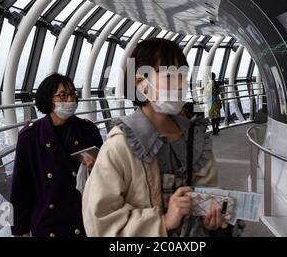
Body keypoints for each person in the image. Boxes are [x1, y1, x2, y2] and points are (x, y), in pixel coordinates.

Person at [82, 38, 226, 236]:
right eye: (169, 76)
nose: (180, 84)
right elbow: (100, 220)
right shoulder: (120, 145)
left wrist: (210, 222)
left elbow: (208, 197)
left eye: (183, 75)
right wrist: (163, 222)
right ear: (141, 83)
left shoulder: (196, 139)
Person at [10, 73, 103, 237]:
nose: (70, 100)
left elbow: (106, 176)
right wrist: (18, 230)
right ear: (48, 99)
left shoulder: (88, 131)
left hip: (83, 220)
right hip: (47, 222)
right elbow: (20, 188)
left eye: (73, 94)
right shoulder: (30, 137)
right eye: (63, 95)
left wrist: (96, 168)